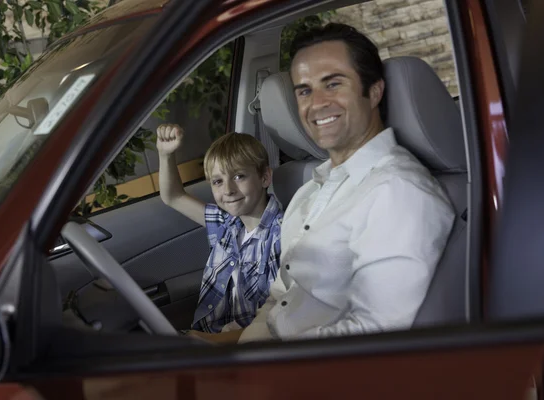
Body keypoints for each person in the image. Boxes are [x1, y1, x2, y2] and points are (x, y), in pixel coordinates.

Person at [194, 23, 455, 344]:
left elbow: (374, 335)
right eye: (304, 90)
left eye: (333, 84)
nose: (316, 103)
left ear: (374, 91)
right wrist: (218, 346)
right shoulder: (311, 190)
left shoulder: (398, 192)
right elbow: (279, 299)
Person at [156, 125, 283, 335]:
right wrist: (165, 155)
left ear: (265, 177)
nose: (228, 190)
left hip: (240, 347)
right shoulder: (226, 223)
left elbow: (274, 321)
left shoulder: (280, 236)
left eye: (239, 176)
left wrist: (208, 343)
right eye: (217, 181)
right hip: (209, 337)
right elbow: (173, 196)